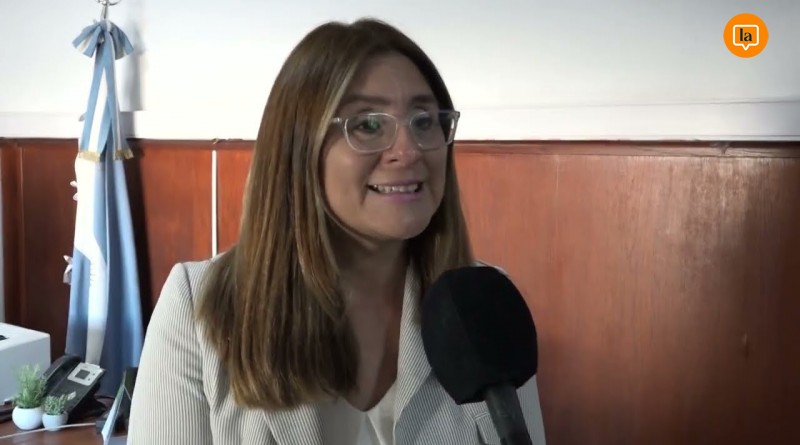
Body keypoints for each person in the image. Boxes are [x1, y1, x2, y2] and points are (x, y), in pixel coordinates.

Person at [127, 18, 546, 445]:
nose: (408, 151)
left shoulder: (487, 305)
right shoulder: (195, 307)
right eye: (368, 125)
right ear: (299, 147)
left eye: (423, 121)